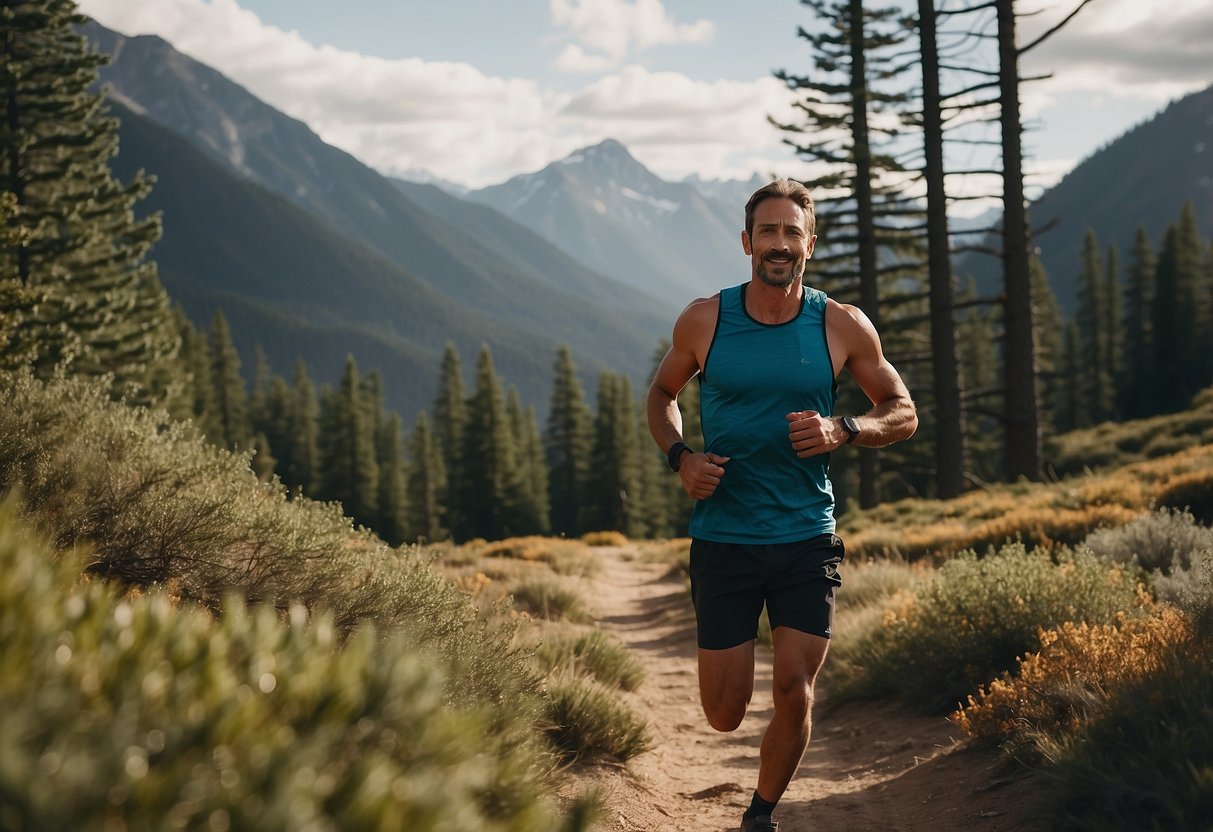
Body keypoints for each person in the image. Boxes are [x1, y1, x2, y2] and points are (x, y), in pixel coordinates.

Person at [646, 179, 917, 832]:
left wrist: (843, 429)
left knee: (794, 689)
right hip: (725, 537)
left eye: (791, 232)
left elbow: (902, 411)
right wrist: (681, 459)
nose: (778, 244)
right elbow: (660, 396)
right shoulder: (705, 319)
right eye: (766, 232)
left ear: (809, 245)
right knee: (724, 712)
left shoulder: (841, 324)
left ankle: (760, 815)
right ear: (746, 243)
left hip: (805, 536)